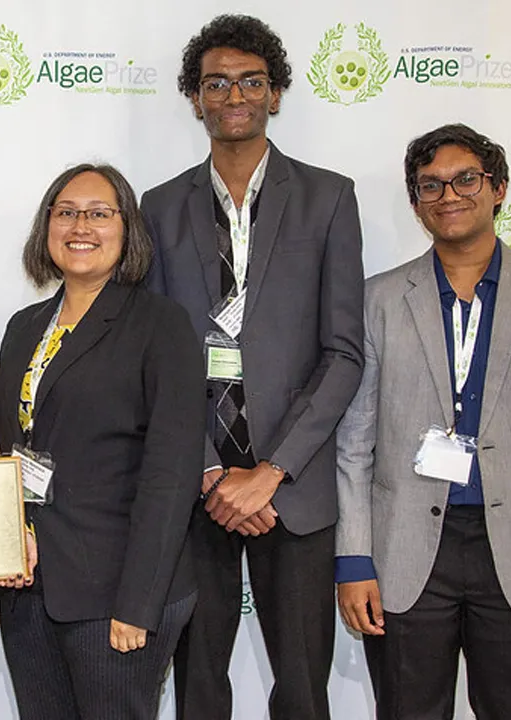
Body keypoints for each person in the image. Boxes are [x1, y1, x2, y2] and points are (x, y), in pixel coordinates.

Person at [335, 123, 511, 719]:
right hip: (405, 556)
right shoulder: (377, 300)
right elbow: (353, 443)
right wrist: (354, 560)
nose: (449, 195)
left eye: (466, 179)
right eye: (431, 185)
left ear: (498, 189)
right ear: (416, 204)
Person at [140, 15, 365, 720]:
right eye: (216, 83)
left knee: (303, 691)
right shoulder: (159, 207)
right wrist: (212, 472)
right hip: (195, 491)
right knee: (198, 691)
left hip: (291, 495)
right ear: (195, 98)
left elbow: (344, 353)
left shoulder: (329, 197)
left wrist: (270, 473)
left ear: (275, 93)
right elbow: (156, 360)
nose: (233, 95)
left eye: (250, 81)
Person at [0, 164, 205, 720]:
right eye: (66, 212)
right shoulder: (24, 326)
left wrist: (139, 602)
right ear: (46, 227)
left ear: (126, 228)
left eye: (99, 213)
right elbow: (10, 448)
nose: (80, 226)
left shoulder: (161, 324)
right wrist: (5, 542)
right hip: (30, 585)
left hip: (117, 590)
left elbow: (172, 472)